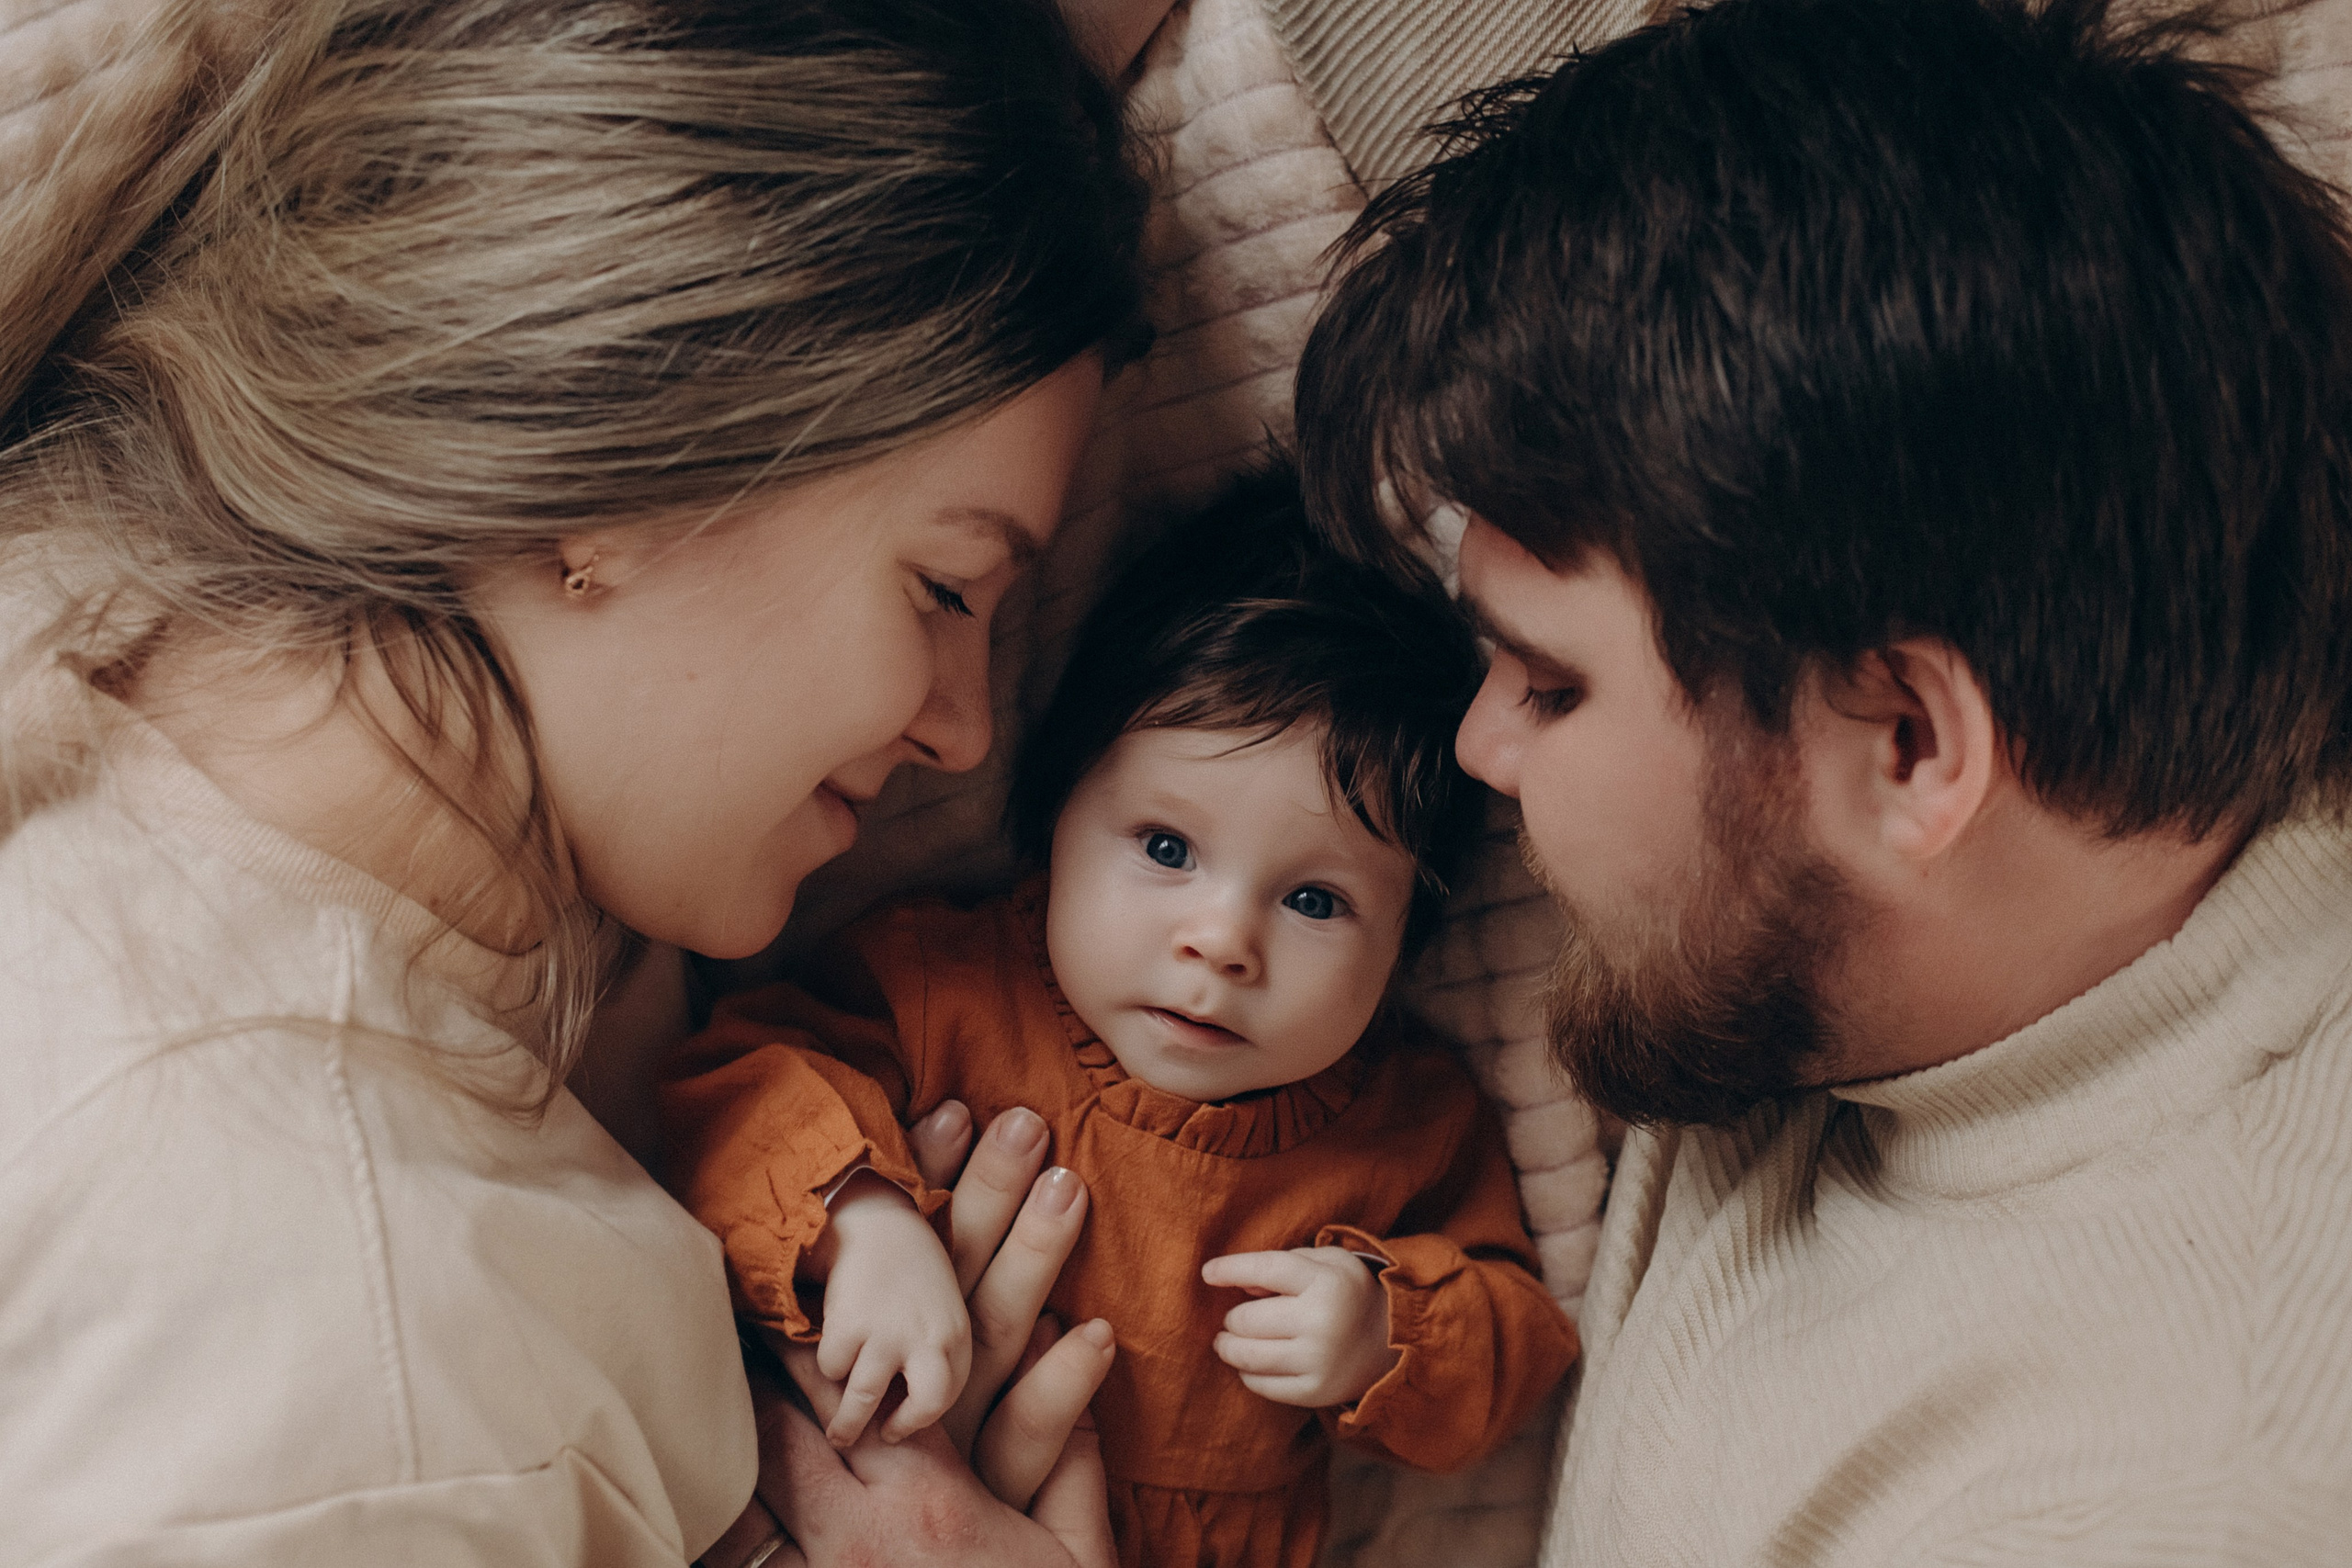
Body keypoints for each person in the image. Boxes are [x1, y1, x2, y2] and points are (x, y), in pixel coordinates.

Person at [0, 0, 1170, 1561]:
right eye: (946, 589)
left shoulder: (100, 688)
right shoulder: (378, 1331)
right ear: (626, 463)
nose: (964, 729)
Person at [1294, 0, 2352, 1559]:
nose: (1479, 748)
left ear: (1912, 747)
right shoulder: (2019, 790)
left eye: (1552, 685)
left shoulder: (2163, 1490)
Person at [660, 473, 1577, 1568]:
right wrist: (860, 1220)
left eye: (1316, 901)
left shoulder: (1405, 1122)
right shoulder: (938, 988)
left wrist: (1387, 1336)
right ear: (1054, 822)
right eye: (1165, 847)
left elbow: (1516, 1340)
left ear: (1404, 947)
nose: (1222, 941)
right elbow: (728, 1096)